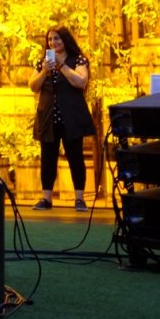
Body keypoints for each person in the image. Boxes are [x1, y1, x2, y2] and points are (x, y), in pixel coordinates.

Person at [29, 25, 94, 210]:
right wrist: (45, 72)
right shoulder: (43, 62)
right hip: (48, 116)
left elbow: (81, 81)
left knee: (75, 156)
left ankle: (79, 198)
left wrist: (62, 66)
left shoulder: (78, 60)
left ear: (65, 40)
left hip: (71, 116)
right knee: (47, 157)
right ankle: (46, 198)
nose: (53, 42)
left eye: (56, 38)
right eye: (50, 39)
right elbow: (33, 86)